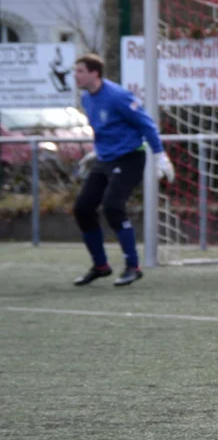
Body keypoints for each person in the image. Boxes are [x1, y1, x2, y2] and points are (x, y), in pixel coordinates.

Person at [72, 53, 175, 287]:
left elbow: (146, 124)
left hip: (130, 157)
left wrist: (160, 156)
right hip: (106, 158)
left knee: (113, 206)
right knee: (83, 208)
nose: (76, 76)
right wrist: (96, 153)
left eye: (80, 71)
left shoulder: (117, 96)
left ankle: (133, 267)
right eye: (75, 71)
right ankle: (100, 266)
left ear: (94, 73)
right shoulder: (86, 98)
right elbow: (104, 129)